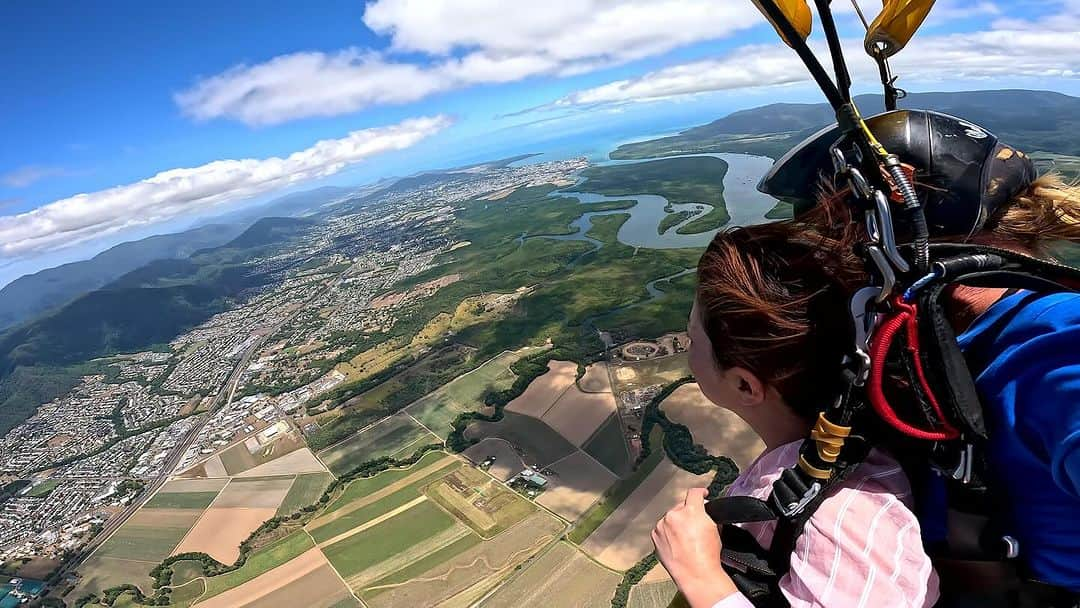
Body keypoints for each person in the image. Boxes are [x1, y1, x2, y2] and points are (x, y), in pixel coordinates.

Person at [651, 168, 1080, 607]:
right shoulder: (835, 460)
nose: (687, 349)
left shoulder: (845, 514)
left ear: (745, 385)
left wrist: (704, 583)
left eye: (692, 338)